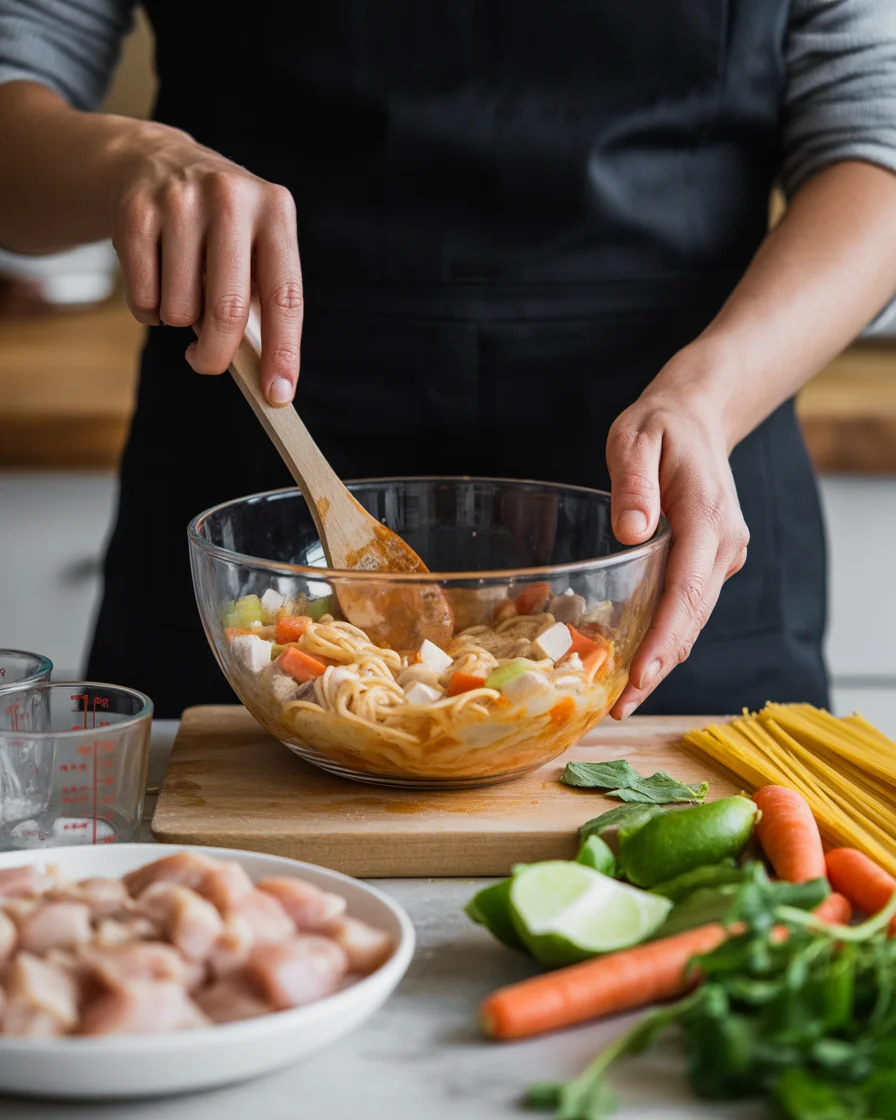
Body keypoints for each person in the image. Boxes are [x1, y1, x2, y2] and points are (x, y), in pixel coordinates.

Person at [1, 2, 895, 722]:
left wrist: (711, 395)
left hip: (679, 478)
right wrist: (128, 159)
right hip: (259, 461)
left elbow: (876, 143)